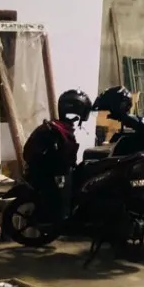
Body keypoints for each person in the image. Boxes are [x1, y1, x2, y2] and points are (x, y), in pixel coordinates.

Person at [21, 89, 93, 224]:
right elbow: (63, 159)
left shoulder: (59, 128)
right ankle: (64, 220)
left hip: (51, 173)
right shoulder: (57, 131)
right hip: (55, 176)